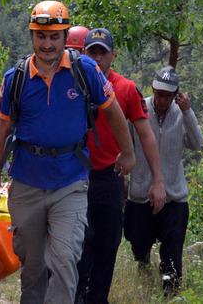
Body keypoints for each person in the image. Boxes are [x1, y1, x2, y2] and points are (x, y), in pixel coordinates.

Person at [0, 0, 136, 304]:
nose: (47, 44)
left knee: (66, 259)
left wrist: (128, 152)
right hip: (27, 182)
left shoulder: (86, 71)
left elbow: (114, 111)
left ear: (66, 37)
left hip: (70, 182)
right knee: (33, 265)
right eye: (41, 37)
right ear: (32, 36)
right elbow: (2, 131)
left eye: (54, 37)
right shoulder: (14, 78)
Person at [76, 28, 166, 304]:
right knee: (77, 247)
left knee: (107, 244)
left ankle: (97, 299)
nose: (98, 58)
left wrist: (158, 180)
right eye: (93, 52)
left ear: (113, 55)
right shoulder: (72, 85)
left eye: (103, 52)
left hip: (109, 179)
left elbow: (146, 135)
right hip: (74, 178)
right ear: (84, 54)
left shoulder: (125, 89)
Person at [123, 66, 203, 295]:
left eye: (167, 95)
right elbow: (126, 143)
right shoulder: (139, 109)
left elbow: (197, 144)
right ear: (152, 89)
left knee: (173, 248)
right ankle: (143, 266)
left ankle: (171, 291)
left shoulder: (181, 113)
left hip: (173, 195)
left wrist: (188, 112)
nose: (161, 99)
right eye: (158, 93)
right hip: (140, 194)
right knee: (138, 242)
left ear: (175, 94)